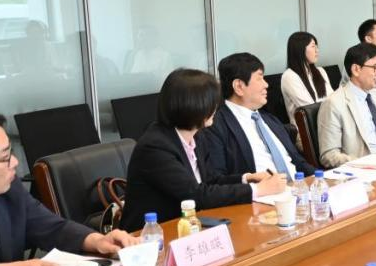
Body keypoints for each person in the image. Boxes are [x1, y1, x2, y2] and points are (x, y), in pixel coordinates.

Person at [0, 110, 138, 266]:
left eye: (11, 152)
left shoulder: (7, 190)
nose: (15, 162)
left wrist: (96, 241)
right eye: (4, 158)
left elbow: (49, 227)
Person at [121, 69, 285, 229]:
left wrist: (247, 178)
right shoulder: (155, 146)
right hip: (151, 234)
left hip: (190, 225)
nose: (216, 108)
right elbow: (195, 195)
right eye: (211, 103)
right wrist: (258, 190)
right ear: (192, 106)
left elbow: (210, 180)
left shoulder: (197, 136)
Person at [202, 52, 310, 180]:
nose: (266, 84)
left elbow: (299, 162)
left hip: (299, 186)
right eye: (259, 78)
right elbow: (216, 179)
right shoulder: (216, 126)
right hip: (262, 191)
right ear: (239, 86)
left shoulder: (270, 119)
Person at [317, 44, 376, 168]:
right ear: (356, 70)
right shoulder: (334, 103)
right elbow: (329, 156)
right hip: (365, 167)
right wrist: (364, 163)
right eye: (375, 68)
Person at [280, 31, 333, 125]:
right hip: (307, 129)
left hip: (328, 122)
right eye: (313, 46)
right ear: (300, 49)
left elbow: (333, 99)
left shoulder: (320, 71)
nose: (317, 50)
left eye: (317, 46)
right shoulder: (289, 76)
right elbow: (309, 108)